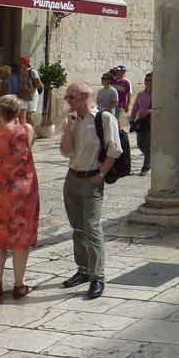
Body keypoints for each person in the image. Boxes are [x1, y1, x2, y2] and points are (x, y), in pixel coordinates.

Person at [59, 82, 122, 299]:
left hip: (92, 179)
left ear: (84, 97)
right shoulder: (73, 120)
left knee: (92, 227)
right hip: (72, 178)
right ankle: (83, 270)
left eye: (70, 97)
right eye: (67, 97)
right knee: (77, 228)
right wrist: (69, 127)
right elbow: (65, 151)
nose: (67, 101)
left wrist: (101, 174)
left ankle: (97, 277)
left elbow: (115, 150)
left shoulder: (104, 119)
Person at [0, 95, 39, 300]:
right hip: (23, 194)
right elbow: (27, 144)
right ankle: (18, 285)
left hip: (0, 194)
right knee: (20, 241)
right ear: (17, 111)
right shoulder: (25, 131)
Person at [130, 73, 152, 175]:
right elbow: (135, 108)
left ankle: (146, 166)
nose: (148, 82)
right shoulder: (141, 94)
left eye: (150, 80)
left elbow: (162, 109)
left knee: (147, 144)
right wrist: (132, 119)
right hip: (141, 122)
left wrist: (149, 111)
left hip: (152, 122)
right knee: (140, 144)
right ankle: (150, 159)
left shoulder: (159, 95)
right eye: (146, 80)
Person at [16, 57, 42, 125]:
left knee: (28, 115)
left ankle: (32, 132)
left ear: (25, 63)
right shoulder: (22, 71)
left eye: (21, 63)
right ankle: (25, 132)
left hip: (32, 95)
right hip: (24, 95)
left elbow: (39, 84)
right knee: (22, 115)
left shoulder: (32, 71)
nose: (19, 64)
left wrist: (31, 89)